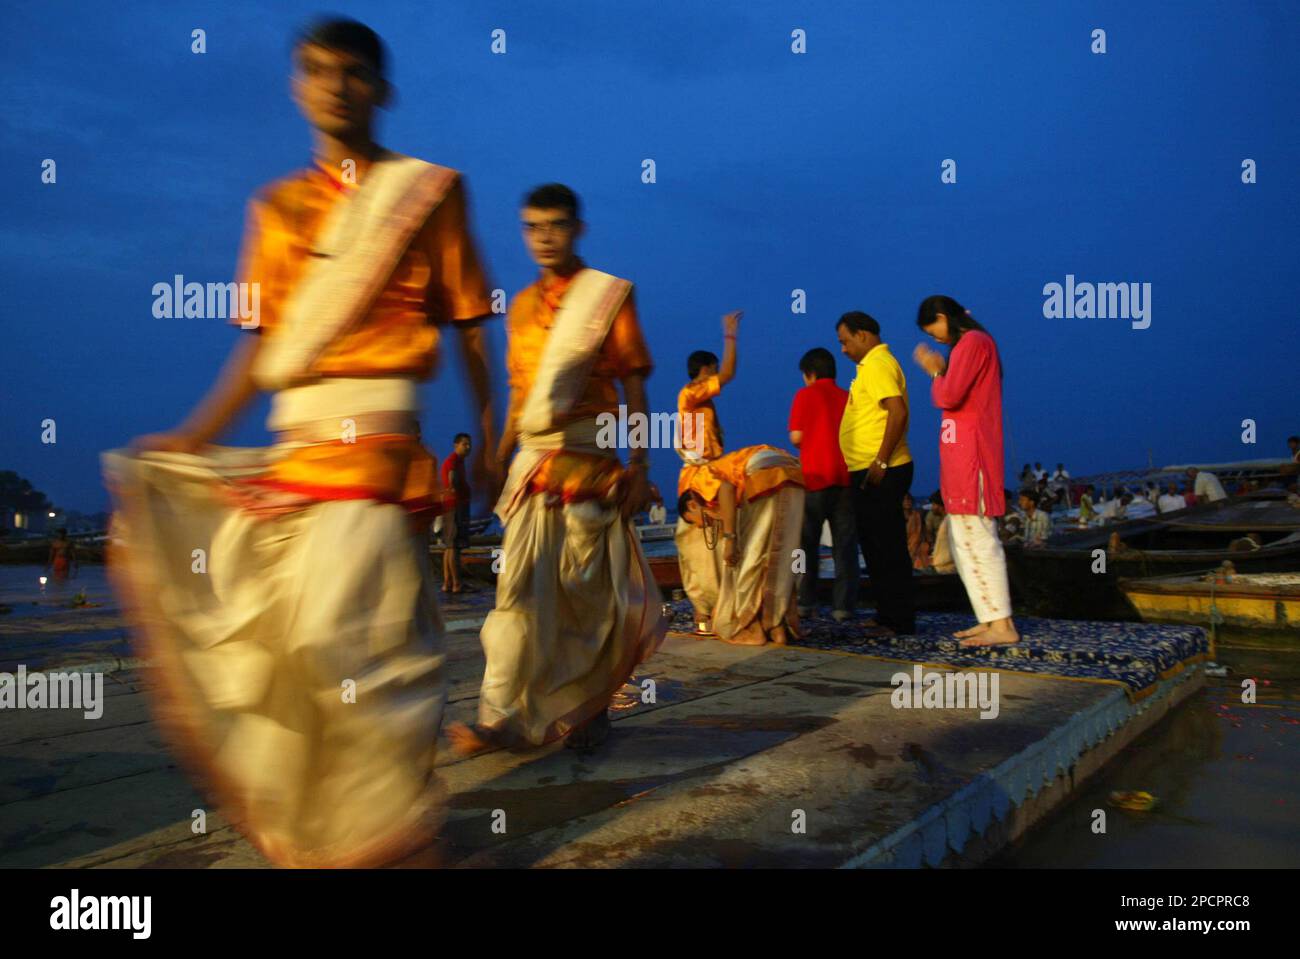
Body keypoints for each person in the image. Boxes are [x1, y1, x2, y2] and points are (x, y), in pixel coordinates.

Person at [102, 18, 497, 868]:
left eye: (354, 73)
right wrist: (195, 436)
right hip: (299, 444)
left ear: (381, 89)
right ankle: (364, 829)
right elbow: (261, 347)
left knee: (340, 634)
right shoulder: (275, 207)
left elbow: (468, 327)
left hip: (379, 440)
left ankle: (388, 827)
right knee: (302, 641)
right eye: (316, 71)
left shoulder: (431, 192)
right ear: (295, 85)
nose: (334, 86)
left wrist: (491, 431)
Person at [449, 183, 666, 756]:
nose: (544, 237)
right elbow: (520, 390)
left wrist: (640, 461)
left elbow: (634, 383)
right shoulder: (519, 306)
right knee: (516, 590)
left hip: (590, 460)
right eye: (533, 227)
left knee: (584, 596)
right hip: (532, 460)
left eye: (556, 225)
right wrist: (496, 457)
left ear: (578, 229)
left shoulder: (609, 296)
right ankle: (499, 715)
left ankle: (588, 708)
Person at [913, 295, 1018, 646]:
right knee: (963, 540)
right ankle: (990, 618)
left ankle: (1002, 624)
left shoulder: (973, 342)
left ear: (944, 317)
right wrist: (942, 370)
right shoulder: (968, 345)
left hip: (974, 455)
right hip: (960, 455)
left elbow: (948, 396)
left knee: (979, 538)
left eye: (935, 329)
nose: (937, 338)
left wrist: (935, 370)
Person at [677, 445, 805, 645]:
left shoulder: (700, 481)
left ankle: (751, 624)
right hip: (794, 475)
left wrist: (730, 538)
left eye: (697, 522)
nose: (704, 526)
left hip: (763, 476)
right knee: (781, 556)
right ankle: (778, 625)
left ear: (692, 505)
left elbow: (726, 488)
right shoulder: (722, 474)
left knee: (751, 559)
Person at [836, 311, 914, 636]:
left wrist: (881, 460)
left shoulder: (878, 364)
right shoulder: (867, 368)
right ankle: (886, 614)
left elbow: (897, 411)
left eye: (845, 341)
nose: (842, 349)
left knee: (888, 546)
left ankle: (899, 620)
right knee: (874, 545)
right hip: (867, 469)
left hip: (883, 469)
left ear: (863, 335)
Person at [674, 312, 741, 635]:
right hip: (701, 479)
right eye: (713, 371)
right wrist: (730, 335)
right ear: (705, 371)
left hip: (705, 473)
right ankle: (705, 610)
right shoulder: (691, 394)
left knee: (708, 543)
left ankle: (716, 607)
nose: (717, 378)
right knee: (703, 545)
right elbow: (729, 373)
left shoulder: (698, 404)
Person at [788, 346, 857, 620]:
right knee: (845, 546)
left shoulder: (805, 395)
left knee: (806, 545)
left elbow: (796, 437)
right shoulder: (848, 397)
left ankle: (807, 601)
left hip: (815, 478)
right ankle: (844, 607)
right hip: (846, 479)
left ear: (810, 374)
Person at [439, 433, 473, 593]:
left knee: (449, 547)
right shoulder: (453, 461)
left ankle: (447, 583)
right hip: (455, 506)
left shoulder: (459, 461)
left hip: (452, 506)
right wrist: (454, 488)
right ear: (456, 445)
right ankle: (457, 583)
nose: (468, 447)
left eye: (469, 444)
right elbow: (451, 477)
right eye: (464, 444)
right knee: (454, 547)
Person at [903, 493, 929, 569]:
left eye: (909, 499)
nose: (907, 502)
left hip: (917, 545)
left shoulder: (917, 515)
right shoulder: (896, 516)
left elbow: (921, 532)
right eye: (905, 500)